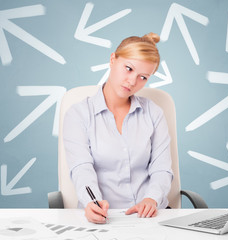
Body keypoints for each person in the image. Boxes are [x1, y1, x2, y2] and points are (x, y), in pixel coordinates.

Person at [62, 32, 173, 224]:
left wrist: (151, 199)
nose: (132, 81)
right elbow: (82, 168)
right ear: (113, 59)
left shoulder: (154, 113)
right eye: (128, 68)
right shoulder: (78, 114)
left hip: (150, 218)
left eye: (143, 77)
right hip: (105, 219)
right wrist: (93, 203)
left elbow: (162, 168)